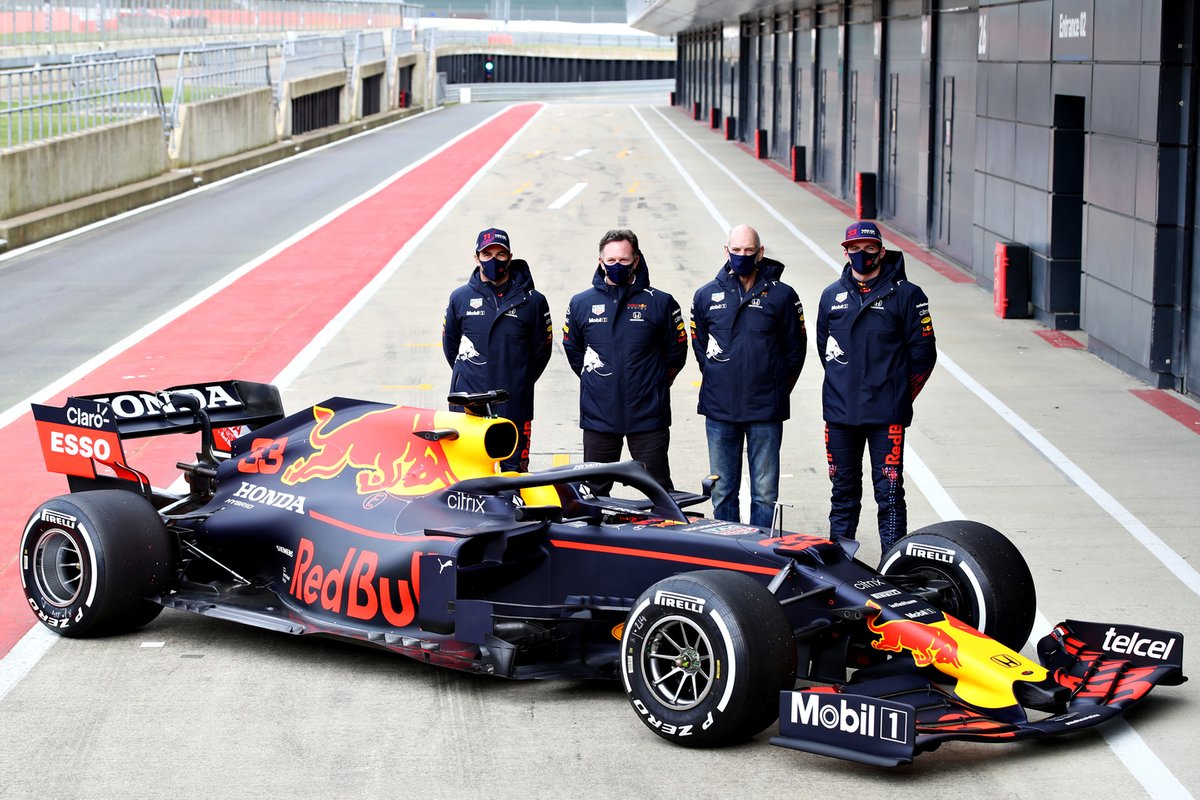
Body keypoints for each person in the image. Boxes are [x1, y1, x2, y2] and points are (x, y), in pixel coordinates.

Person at [816, 221, 937, 554]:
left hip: (887, 416)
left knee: (890, 493)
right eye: (854, 248)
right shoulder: (831, 296)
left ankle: (894, 565)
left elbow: (924, 356)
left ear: (882, 251)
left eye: (869, 248)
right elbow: (826, 352)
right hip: (840, 415)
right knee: (842, 492)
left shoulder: (908, 295)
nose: (861, 254)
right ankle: (839, 563)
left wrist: (896, 395)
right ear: (845, 251)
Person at [690, 224, 807, 527]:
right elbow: (702, 347)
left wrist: (775, 387)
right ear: (726, 250)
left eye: (748, 250)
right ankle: (729, 554)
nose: (742, 255)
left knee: (765, 492)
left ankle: (760, 553)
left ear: (760, 252)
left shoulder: (782, 296)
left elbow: (796, 350)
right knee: (722, 490)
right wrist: (722, 377)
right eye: (736, 250)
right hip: (719, 409)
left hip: (765, 410)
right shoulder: (705, 296)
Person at [562, 228, 687, 495]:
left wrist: (652, 385)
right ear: (600, 261)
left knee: (659, 493)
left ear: (636, 261)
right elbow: (574, 352)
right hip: (599, 417)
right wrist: (598, 382)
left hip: (648, 418)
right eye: (611, 261)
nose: (617, 266)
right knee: (593, 494)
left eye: (624, 261)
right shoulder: (581, 303)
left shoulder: (661, 302)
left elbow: (677, 352)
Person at [442, 227, 552, 472]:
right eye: (487, 254)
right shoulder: (459, 297)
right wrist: (473, 374)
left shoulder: (533, 300)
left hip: (513, 401)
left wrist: (517, 378)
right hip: (468, 400)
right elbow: (451, 346)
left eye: (500, 255)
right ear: (476, 257)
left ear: (510, 257)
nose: (494, 260)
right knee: (467, 471)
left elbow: (541, 352)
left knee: (514, 471)